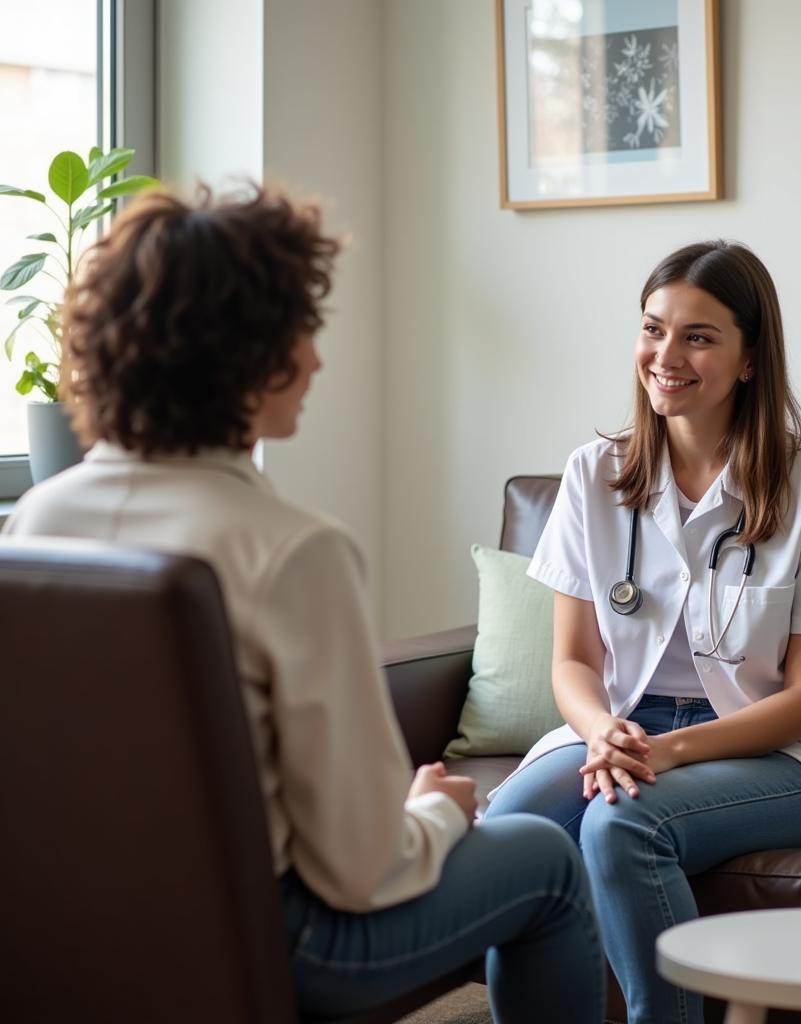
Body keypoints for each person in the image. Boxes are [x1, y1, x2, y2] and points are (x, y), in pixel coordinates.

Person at [1, 186, 605, 1024]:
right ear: (244, 354)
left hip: (74, 932)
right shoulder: (291, 550)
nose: (316, 363)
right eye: (301, 334)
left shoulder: (37, 522)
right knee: (542, 855)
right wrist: (435, 812)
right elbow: (362, 871)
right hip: (281, 944)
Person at [486, 240, 801, 1024]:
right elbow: (574, 661)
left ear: (750, 359)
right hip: (622, 729)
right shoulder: (593, 474)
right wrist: (602, 732)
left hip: (778, 748)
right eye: (653, 329)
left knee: (623, 824)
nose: (666, 355)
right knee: (503, 840)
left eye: (699, 336)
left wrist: (671, 750)